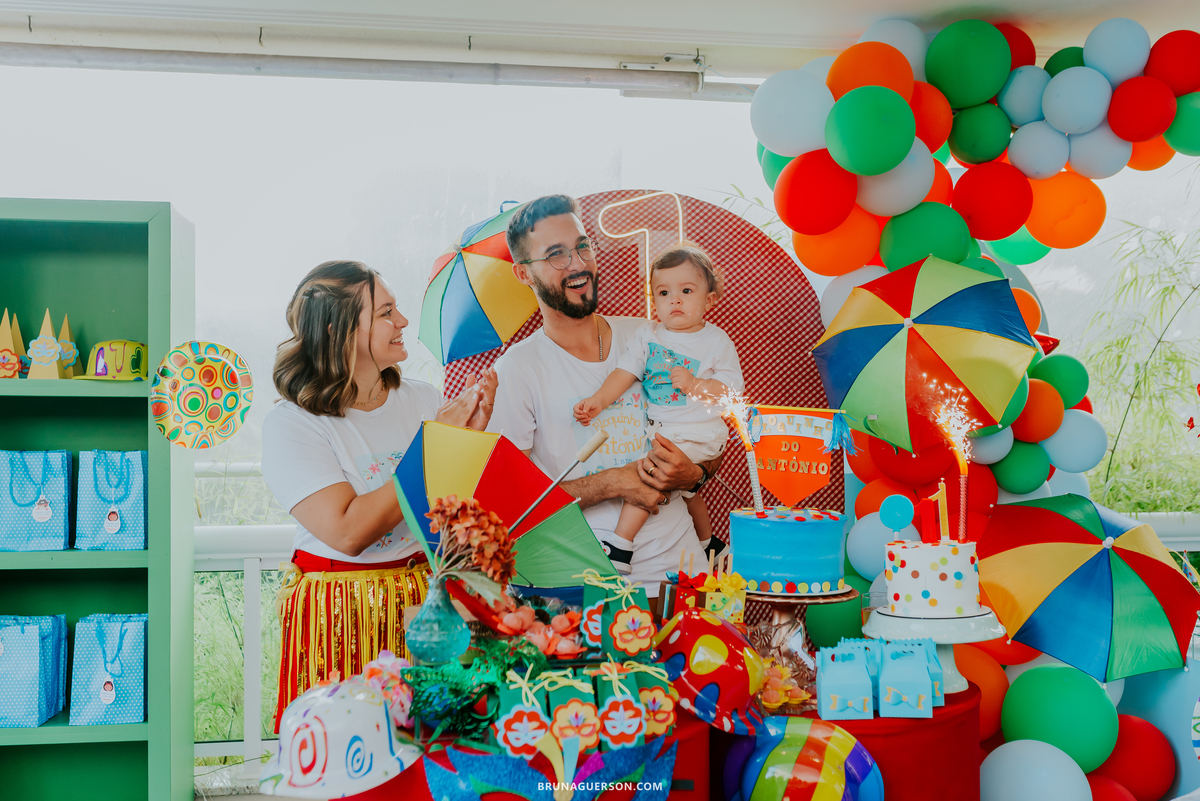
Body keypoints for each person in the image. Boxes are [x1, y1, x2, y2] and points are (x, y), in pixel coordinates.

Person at [262, 260, 496, 729]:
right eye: (387, 311)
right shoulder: (293, 424)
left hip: (423, 604)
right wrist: (433, 444)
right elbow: (349, 531)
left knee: (428, 745)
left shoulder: (425, 400)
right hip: (342, 611)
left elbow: (453, 509)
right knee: (347, 749)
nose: (403, 322)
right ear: (340, 331)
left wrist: (468, 442)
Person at [487, 195, 717, 593]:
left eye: (582, 246)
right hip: (584, 585)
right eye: (556, 254)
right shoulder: (518, 370)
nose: (577, 264)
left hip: (681, 572)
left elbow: (706, 435)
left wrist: (694, 473)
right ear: (523, 274)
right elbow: (515, 507)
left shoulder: (650, 337)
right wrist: (611, 483)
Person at [573, 243, 742, 572]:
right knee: (688, 492)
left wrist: (696, 385)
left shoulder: (716, 341)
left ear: (710, 299)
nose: (674, 300)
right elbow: (625, 373)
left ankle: (621, 547)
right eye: (663, 293)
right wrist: (598, 400)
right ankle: (709, 543)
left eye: (686, 290)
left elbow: (731, 393)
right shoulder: (648, 335)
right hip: (665, 430)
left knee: (651, 476)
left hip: (701, 432)